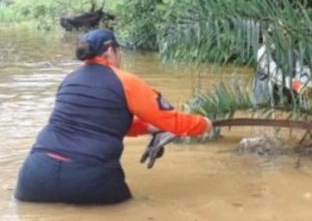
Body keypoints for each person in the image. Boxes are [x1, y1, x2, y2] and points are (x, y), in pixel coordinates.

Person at [14, 29, 212, 205]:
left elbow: (100, 123)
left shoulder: (69, 80)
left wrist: (147, 128)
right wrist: (203, 124)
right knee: (136, 208)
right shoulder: (126, 81)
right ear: (111, 51)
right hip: (90, 179)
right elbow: (170, 120)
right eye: (119, 51)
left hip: (35, 177)